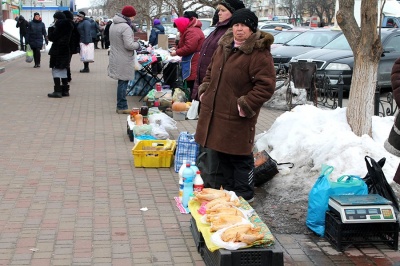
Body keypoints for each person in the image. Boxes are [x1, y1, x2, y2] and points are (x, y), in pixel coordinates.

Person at [194, 9, 276, 202]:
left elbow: (266, 86)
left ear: (252, 28)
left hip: (237, 116)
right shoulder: (224, 46)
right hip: (214, 112)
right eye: (236, 25)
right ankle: (227, 195)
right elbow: (210, 71)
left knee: (239, 157)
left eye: (244, 26)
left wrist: (245, 104)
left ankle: (245, 197)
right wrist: (205, 89)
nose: (239, 29)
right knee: (220, 155)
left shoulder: (259, 53)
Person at [192, 0, 245, 100]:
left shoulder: (232, 32)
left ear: (233, 12)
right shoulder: (218, 29)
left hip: (218, 88)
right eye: (219, 10)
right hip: (205, 83)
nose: (219, 13)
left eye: (223, 10)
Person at [108, 5, 141, 114]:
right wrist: (138, 44)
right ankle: (122, 106)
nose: (133, 19)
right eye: (132, 16)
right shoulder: (126, 27)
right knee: (123, 82)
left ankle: (121, 105)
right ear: (129, 16)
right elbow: (129, 45)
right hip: (124, 58)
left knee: (121, 81)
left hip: (116, 56)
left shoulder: (113, 24)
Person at [170, 16, 205, 100]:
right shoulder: (190, 30)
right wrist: (177, 48)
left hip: (193, 61)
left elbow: (190, 47)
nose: (178, 30)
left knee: (192, 84)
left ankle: (192, 103)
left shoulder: (191, 31)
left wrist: (176, 52)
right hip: (192, 60)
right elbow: (187, 44)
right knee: (192, 84)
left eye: (178, 28)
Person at [47, 12, 73, 98]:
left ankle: (57, 91)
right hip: (65, 50)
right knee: (63, 70)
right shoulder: (69, 25)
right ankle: (65, 90)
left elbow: (52, 37)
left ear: (56, 18)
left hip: (57, 51)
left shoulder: (58, 26)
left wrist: (50, 29)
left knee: (56, 69)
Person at [63, 10, 80, 82]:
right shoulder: (73, 24)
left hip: (66, 46)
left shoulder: (66, 24)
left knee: (65, 62)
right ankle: (67, 76)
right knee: (67, 62)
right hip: (71, 46)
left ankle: (67, 76)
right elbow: (77, 36)